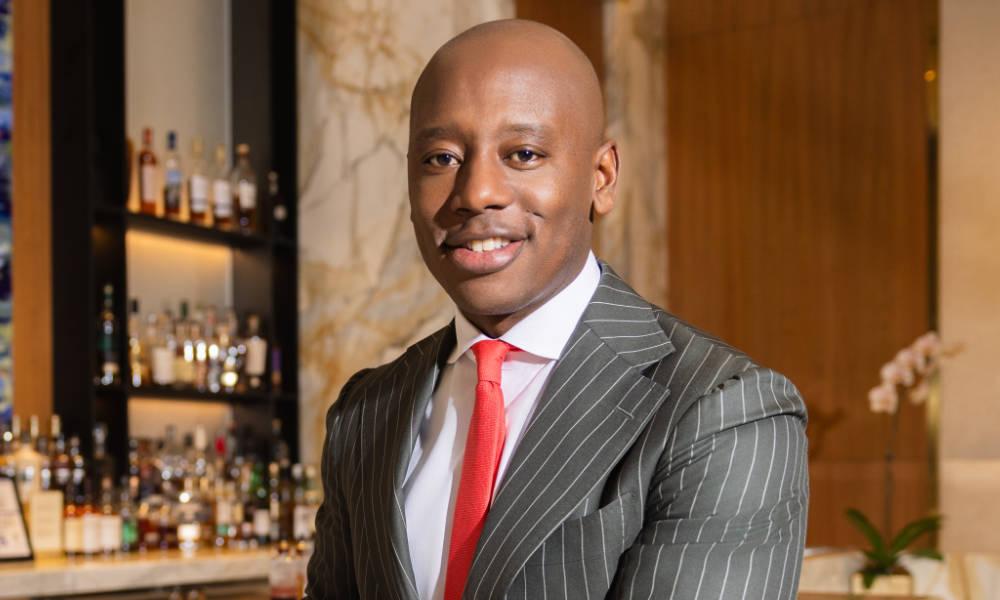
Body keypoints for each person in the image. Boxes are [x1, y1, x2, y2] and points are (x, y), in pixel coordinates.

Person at [305, 19, 808, 600]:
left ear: (602, 177)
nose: (476, 192)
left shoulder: (725, 410)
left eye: (523, 154)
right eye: (441, 158)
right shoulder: (365, 412)